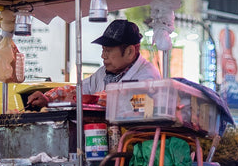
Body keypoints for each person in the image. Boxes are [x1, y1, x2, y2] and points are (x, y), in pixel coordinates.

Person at [27, 19, 161, 108]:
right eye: (103, 50)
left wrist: (92, 100)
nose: (103, 56)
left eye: (108, 51)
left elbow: (135, 104)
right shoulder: (103, 72)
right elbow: (79, 90)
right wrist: (48, 98)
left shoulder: (148, 75)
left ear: (129, 52)